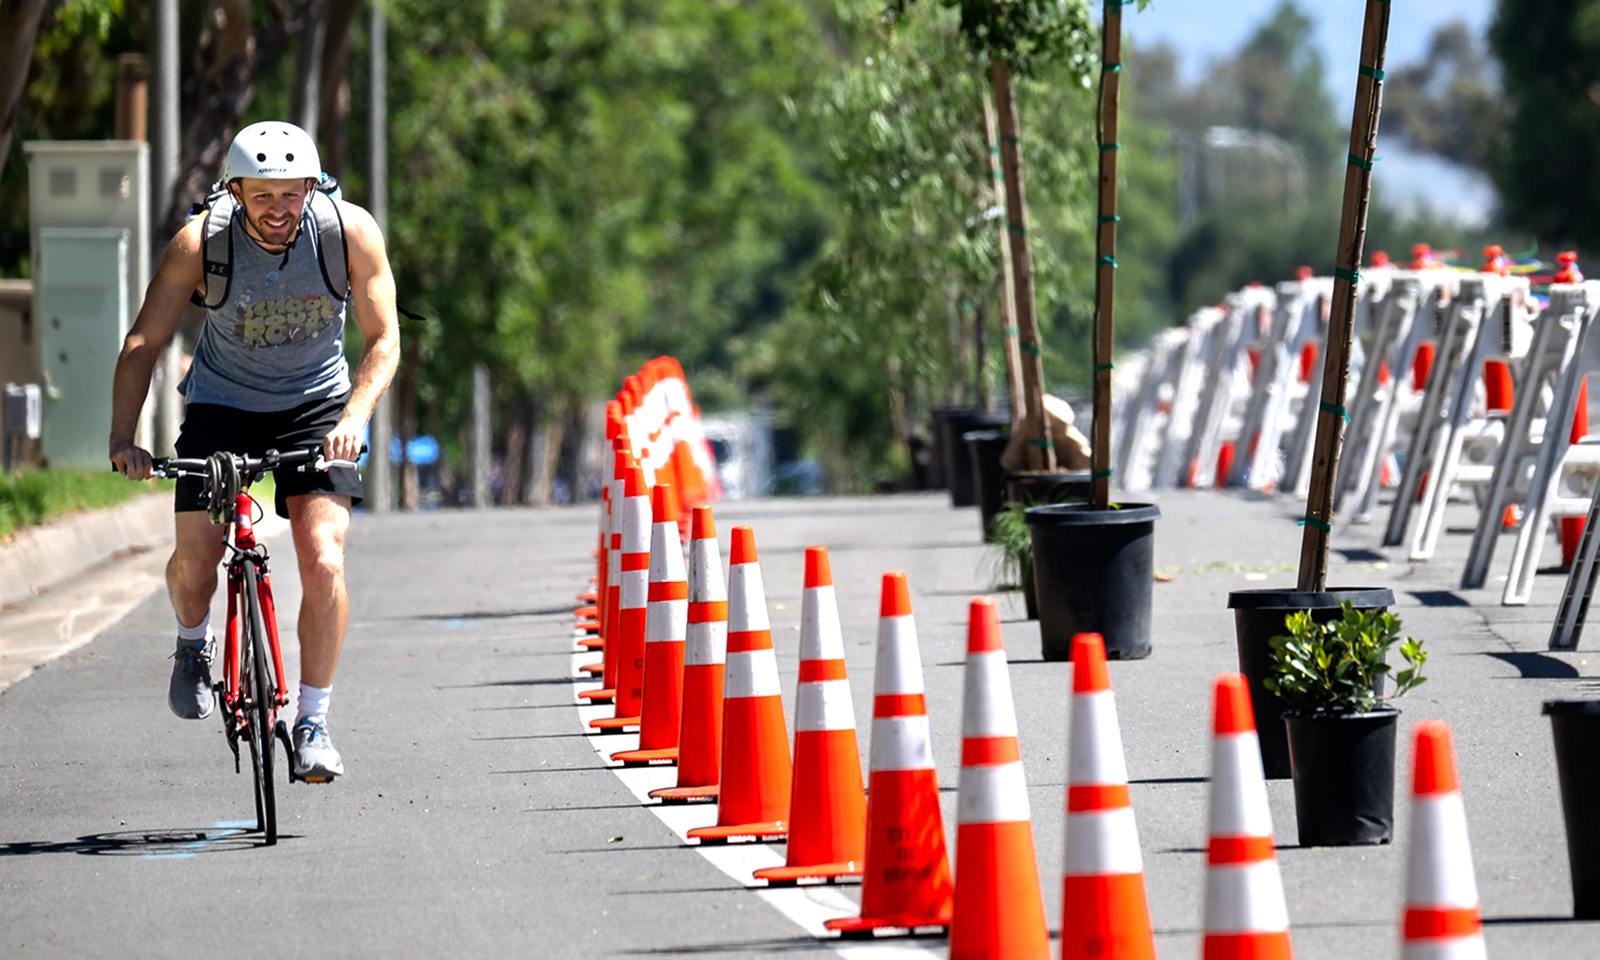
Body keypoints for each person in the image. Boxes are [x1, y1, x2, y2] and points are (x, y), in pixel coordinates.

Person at [109, 121, 399, 782]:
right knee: (195, 560)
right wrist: (123, 441)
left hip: (317, 410)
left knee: (324, 558)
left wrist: (353, 416)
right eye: (261, 195)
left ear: (311, 187)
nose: (277, 209)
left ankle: (314, 722)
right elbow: (141, 346)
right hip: (222, 408)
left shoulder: (347, 233)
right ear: (235, 192)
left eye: (291, 193)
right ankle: (191, 645)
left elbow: (384, 339)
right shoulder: (200, 243)